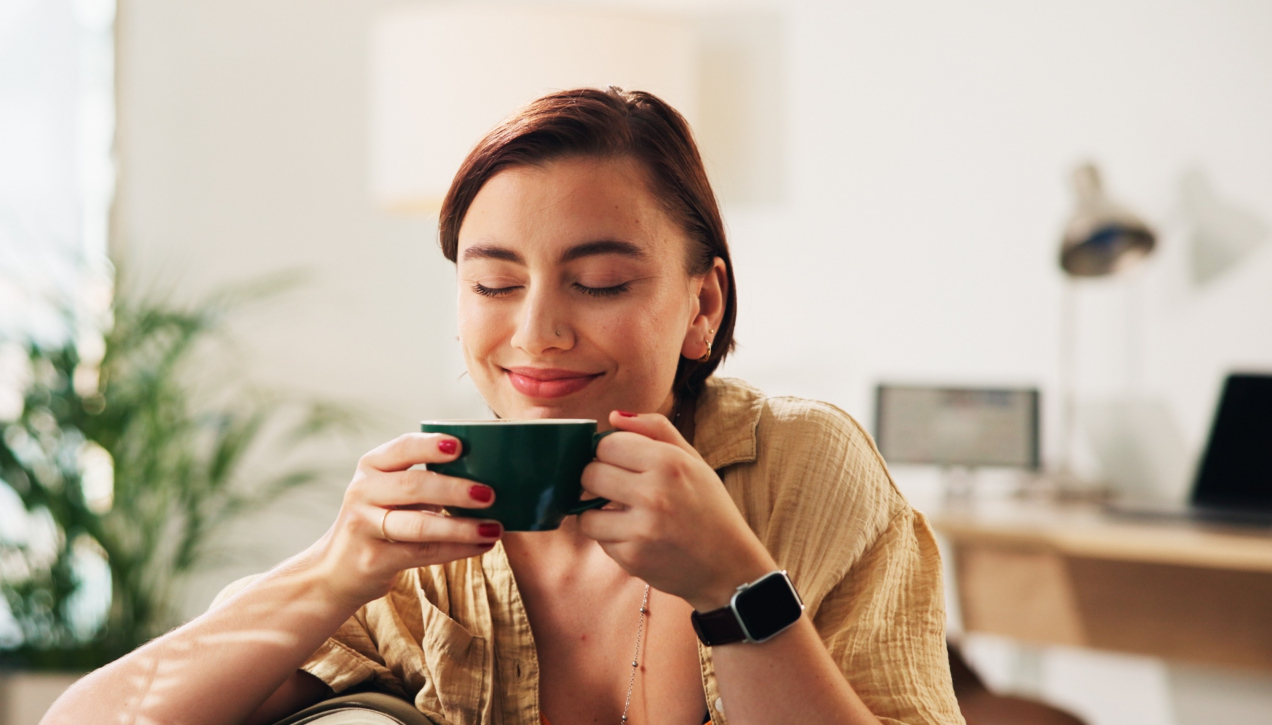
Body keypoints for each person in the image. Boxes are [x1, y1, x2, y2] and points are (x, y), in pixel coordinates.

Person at [43, 87, 963, 725]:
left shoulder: (799, 467)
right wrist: (335, 567)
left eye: (599, 283)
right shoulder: (428, 532)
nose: (537, 333)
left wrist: (735, 588)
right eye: (494, 284)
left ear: (702, 305)